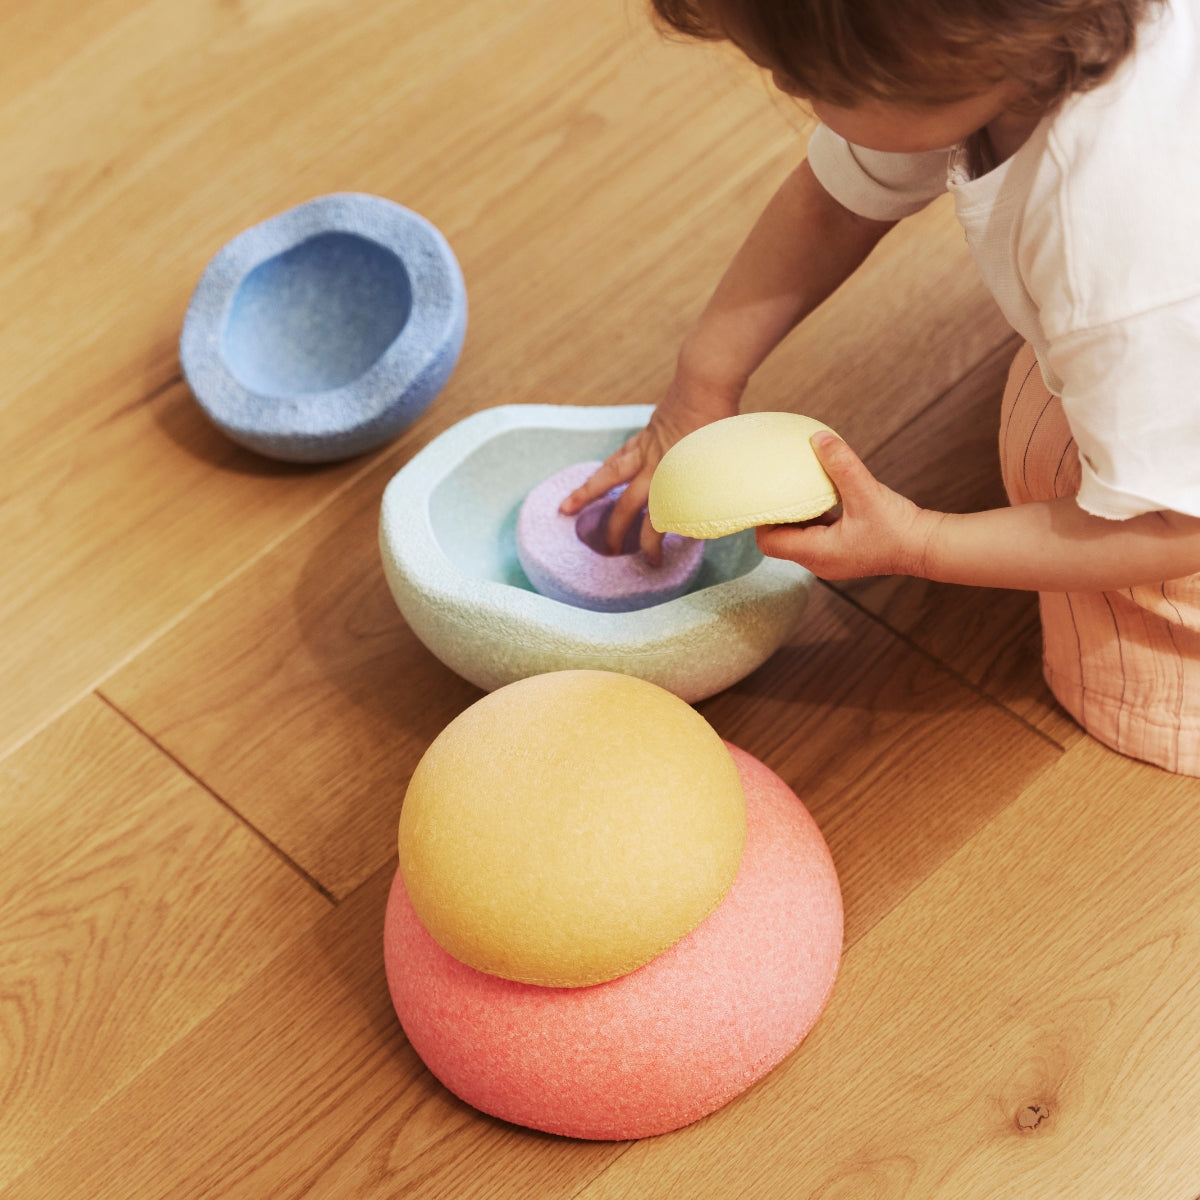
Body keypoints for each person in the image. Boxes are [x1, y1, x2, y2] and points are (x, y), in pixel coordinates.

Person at [559, 0, 1200, 774]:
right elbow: (831, 205)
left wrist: (923, 541)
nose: (785, 87)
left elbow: (1173, 521)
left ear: (945, 62)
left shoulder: (1116, 240)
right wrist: (702, 380)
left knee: (1060, 463)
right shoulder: (997, 50)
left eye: (800, 78)